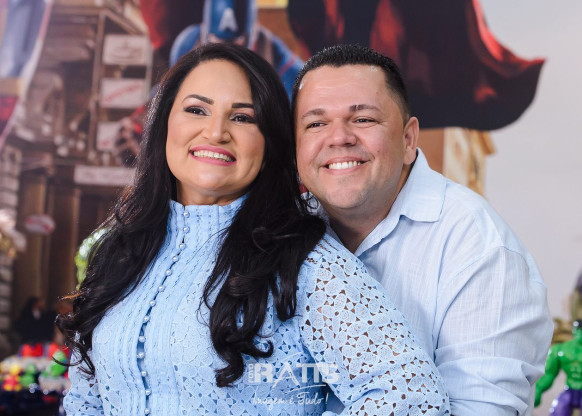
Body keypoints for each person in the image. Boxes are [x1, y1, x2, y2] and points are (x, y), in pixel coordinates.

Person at [56, 43, 450, 415]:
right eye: (196, 110)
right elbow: (85, 398)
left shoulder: (305, 260)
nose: (216, 132)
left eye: (243, 117)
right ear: (164, 124)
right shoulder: (119, 253)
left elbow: (413, 396)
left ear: (269, 143)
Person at [292, 44, 553, 415]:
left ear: (408, 139)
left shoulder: (480, 247)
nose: (339, 138)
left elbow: (479, 410)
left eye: (363, 119)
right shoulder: (275, 230)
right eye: (316, 124)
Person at [535, 320, 582, 415]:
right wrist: (538, 389)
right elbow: (549, 374)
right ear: (574, 329)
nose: (580, 333)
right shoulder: (561, 350)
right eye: (578, 329)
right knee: (559, 409)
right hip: (570, 390)